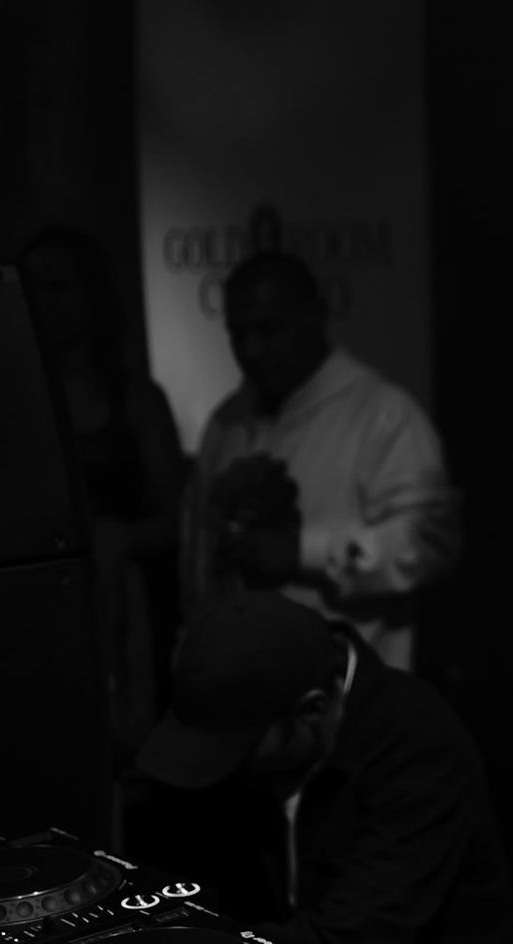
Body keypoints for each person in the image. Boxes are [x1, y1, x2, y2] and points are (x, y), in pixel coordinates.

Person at [134, 590, 513, 944]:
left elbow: (351, 935)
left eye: (237, 749)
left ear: (312, 711)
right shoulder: (270, 726)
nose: (225, 768)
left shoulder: (420, 751)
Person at [180, 250, 461, 672]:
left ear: (317, 314)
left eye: (269, 330)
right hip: (242, 689)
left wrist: (303, 551)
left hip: (347, 693)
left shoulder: (383, 415)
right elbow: (195, 559)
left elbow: (430, 542)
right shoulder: (226, 422)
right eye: (238, 334)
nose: (252, 350)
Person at [20, 225, 187, 751]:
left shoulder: (135, 398)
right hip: (41, 604)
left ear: (92, 297)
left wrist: (115, 538)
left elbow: (179, 518)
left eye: (59, 286)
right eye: (32, 285)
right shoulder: (16, 396)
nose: (43, 300)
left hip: (124, 605)